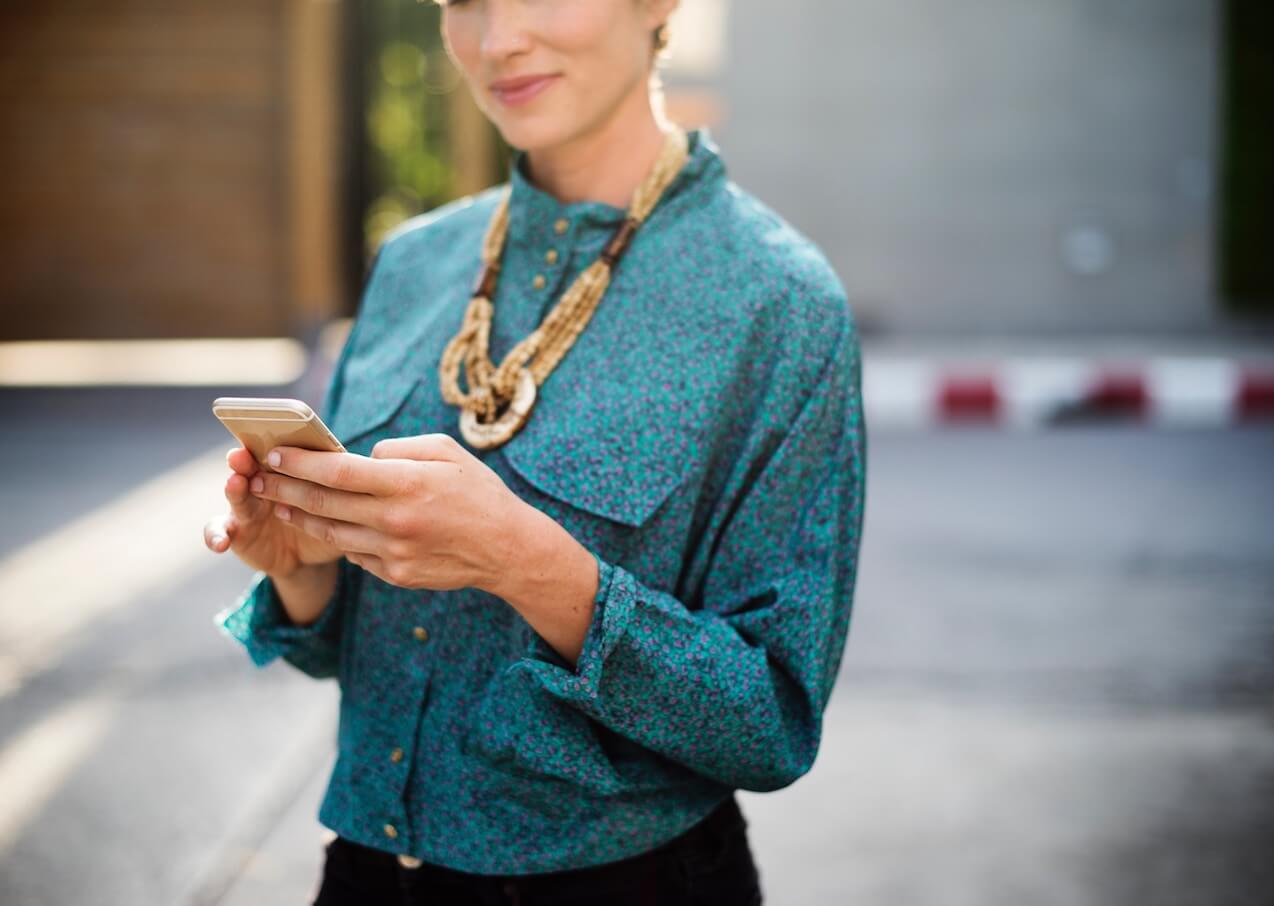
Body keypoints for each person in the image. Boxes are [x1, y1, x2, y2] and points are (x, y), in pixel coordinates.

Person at [203, 0, 867, 902]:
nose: (498, 39)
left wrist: (528, 564)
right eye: (463, 2)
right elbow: (348, 657)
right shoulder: (412, 264)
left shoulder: (779, 303)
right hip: (361, 872)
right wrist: (302, 573)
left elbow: (771, 725)